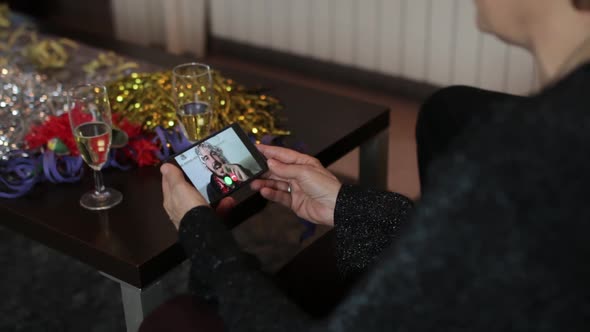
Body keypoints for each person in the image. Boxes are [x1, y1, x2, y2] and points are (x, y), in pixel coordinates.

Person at [156, 0, 590, 330]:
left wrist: (202, 235)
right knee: (451, 107)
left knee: (175, 319)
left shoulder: (514, 164)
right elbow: (475, 253)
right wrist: (347, 204)